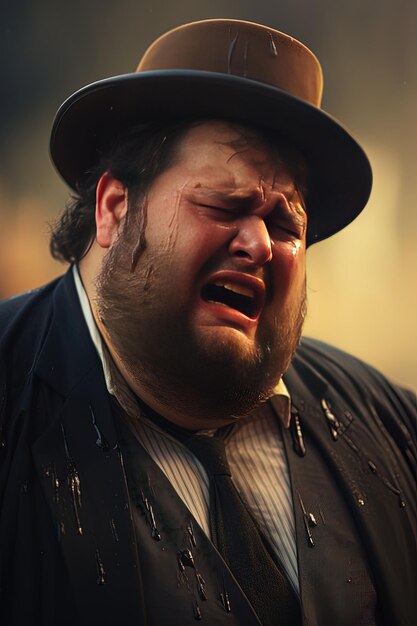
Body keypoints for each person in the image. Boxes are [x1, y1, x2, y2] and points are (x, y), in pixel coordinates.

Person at [0, 18, 415, 626]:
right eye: (224, 205)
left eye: (286, 225)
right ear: (115, 209)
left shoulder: (391, 423)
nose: (260, 245)